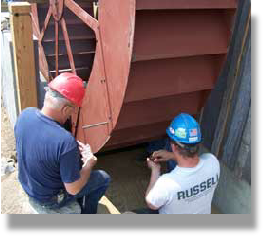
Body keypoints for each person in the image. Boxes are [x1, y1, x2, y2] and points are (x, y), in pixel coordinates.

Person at [14, 72, 110, 214]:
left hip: (30, 188)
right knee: (103, 178)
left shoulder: (25, 115)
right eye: (73, 110)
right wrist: (89, 163)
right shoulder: (65, 141)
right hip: (50, 201)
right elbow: (73, 189)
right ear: (66, 109)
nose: (72, 114)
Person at [144, 113, 220, 214]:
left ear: (174, 146)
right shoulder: (213, 163)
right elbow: (192, 160)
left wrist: (155, 171)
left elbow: (151, 203)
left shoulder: (167, 183)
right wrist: (171, 155)